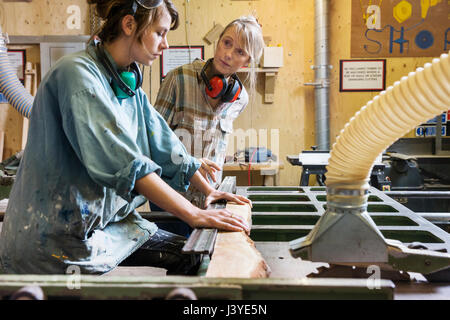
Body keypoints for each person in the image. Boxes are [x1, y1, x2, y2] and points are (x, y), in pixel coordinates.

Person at [0, 0, 251, 276]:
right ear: (129, 25)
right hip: (52, 240)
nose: (166, 44)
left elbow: (165, 145)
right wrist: (194, 214)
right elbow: (129, 166)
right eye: (160, 32)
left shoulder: (125, 84)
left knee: (190, 256)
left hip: (100, 227)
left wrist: (208, 191)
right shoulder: (78, 76)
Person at [153, 15, 265, 235]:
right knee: (179, 260)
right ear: (218, 41)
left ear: (248, 62)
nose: (228, 54)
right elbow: (154, 141)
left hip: (209, 196)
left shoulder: (240, 98)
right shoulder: (178, 79)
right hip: (172, 193)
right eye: (227, 43)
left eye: (240, 52)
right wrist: (190, 161)